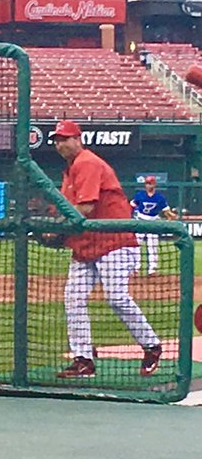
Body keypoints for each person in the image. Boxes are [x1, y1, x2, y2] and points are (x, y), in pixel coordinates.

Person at [52, 120, 161, 379]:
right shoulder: (70, 170)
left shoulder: (87, 162)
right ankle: (83, 360)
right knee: (73, 298)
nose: (60, 144)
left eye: (64, 139)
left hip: (113, 240)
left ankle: (152, 346)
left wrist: (57, 229)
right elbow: (69, 209)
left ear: (78, 139)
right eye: (56, 140)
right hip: (86, 243)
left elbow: (86, 208)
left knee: (116, 297)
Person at [130, 175, 176, 276]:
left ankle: (152, 270)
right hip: (140, 221)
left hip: (153, 222)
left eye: (150, 183)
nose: (148, 185)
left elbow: (166, 211)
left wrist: (171, 216)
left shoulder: (160, 197)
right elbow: (132, 206)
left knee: (152, 246)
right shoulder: (140, 195)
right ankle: (135, 268)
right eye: (147, 183)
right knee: (136, 245)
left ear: (154, 184)